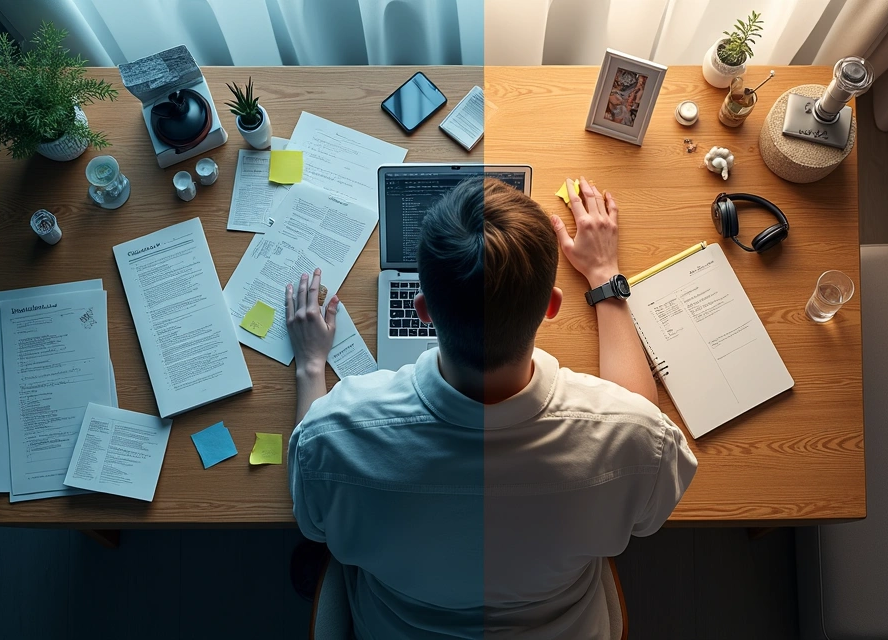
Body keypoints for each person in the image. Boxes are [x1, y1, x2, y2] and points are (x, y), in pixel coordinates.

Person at [285, 176, 698, 639]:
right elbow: (639, 420)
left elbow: (311, 518)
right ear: (551, 307)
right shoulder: (636, 438)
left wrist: (310, 365)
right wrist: (603, 275)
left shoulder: (333, 435)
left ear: (422, 310)